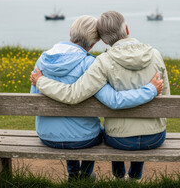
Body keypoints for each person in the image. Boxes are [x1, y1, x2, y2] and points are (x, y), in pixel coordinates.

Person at [31, 11, 170, 181]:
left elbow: (49, 97)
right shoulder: (155, 54)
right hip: (155, 137)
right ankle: (134, 176)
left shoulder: (45, 60)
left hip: (53, 135)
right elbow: (166, 99)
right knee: (96, 131)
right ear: (127, 28)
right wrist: (150, 90)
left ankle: (94, 175)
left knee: (106, 131)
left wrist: (40, 82)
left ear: (103, 40)